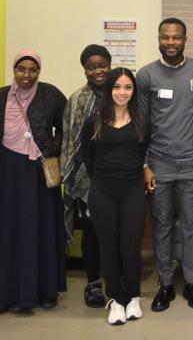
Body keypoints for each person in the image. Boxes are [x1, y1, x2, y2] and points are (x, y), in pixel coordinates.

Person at [0, 50, 67, 312]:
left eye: (32, 70)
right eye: (21, 69)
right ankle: (3, 293)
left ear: (39, 71)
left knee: (40, 229)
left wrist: (51, 149)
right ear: (14, 70)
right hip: (4, 172)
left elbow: (66, 129)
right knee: (5, 229)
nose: (26, 75)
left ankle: (45, 290)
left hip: (39, 173)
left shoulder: (52, 94)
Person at [136, 18, 193, 311]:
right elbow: (141, 124)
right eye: (165, 37)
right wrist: (144, 164)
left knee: (191, 224)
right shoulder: (146, 75)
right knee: (163, 225)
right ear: (158, 39)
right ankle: (165, 284)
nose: (170, 42)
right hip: (159, 162)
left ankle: (192, 283)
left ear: (184, 39)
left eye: (176, 38)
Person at [79, 68, 149, 325]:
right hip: (103, 192)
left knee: (130, 247)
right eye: (117, 87)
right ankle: (116, 300)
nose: (122, 92)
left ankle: (133, 297)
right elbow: (88, 158)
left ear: (133, 91)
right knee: (107, 246)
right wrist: (103, 180)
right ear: (109, 90)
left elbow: (142, 154)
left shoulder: (142, 121)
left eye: (127, 87)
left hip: (132, 191)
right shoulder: (94, 121)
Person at [60, 44, 111, 309]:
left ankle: (116, 281)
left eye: (102, 64)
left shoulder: (122, 94)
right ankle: (93, 285)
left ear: (110, 65)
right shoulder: (77, 99)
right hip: (87, 178)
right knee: (91, 231)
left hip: (118, 176)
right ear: (84, 70)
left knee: (117, 232)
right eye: (92, 66)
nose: (98, 70)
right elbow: (70, 141)